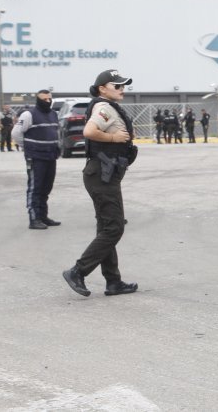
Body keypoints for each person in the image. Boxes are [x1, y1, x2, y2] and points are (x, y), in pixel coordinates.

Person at [62, 69, 138, 298]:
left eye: (123, 86)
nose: (122, 89)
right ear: (102, 88)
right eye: (117, 86)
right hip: (101, 175)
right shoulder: (103, 107)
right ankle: (78, 271)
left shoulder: (108, 106)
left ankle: (113, 282)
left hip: (104, 174)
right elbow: (89, 131)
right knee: (115, 227)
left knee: (106, 228)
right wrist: (114, 138)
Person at [14, 89, 61, 230]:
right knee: (35, 188)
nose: (47, 101)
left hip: (51, 156)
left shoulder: (53, 114)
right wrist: (27, 146)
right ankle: (34, 219)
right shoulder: (29, 114)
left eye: (49, 99)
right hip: (36, 157)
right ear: (38, 100)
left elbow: (55, 133)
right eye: (44, 99)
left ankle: (43, 216)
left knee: (46, 187)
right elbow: (16, 133)